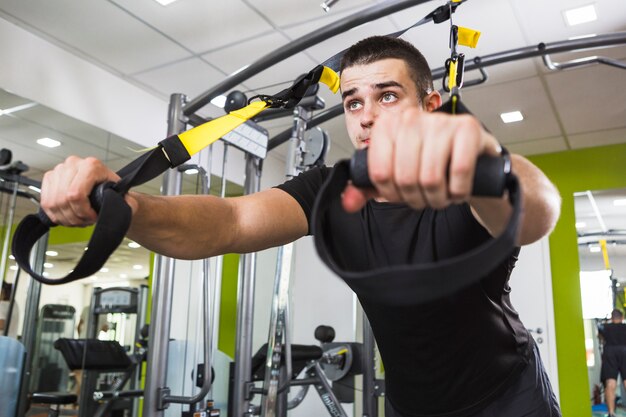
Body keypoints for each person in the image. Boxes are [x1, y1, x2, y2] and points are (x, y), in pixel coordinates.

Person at [39, 36, 562, 416]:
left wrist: (479, 156)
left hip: (507, 396)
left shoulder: (466, 180)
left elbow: (535, 212)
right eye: (354, 101)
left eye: (386, 96)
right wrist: (125, 207)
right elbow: (233, 221)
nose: (365, 116)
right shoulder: (329, 190)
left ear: (430, 106)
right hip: (411, 404)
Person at [598, 309, 626, 417]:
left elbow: (600, 336)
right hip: (625, 351)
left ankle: (611, 412)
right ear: (622, 317)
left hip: (610, 352)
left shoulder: (605, 327)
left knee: (610, 383)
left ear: (611, 318)